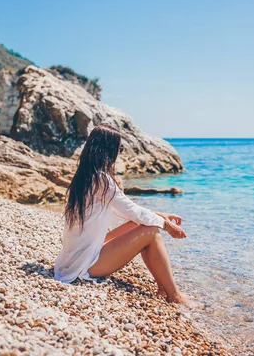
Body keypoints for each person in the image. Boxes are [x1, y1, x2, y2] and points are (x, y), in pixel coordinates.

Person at [54, 124, 190, 305]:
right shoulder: (101, 179)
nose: (119, 153)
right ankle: (175, 296)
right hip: (83, 265)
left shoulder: (85, 177)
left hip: (72, 259)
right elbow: (132, 211)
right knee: (151, 232)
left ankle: (162, 288)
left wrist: (160, 215)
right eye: (119, 148)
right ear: (108, 150)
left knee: (142, 225)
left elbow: (128, 212)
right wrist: (166, 225)